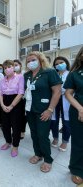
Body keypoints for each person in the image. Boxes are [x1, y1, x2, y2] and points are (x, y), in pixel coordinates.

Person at [24, 51, 62, 173]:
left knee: (42, 135)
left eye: (33, 60)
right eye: (28, 61)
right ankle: (38, 154)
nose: (31, 63)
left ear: (40, 60)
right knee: (34, 134)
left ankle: (48, 159)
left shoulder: (49, 72)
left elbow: (57, 91)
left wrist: (50, 109)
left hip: (44, 110)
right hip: (30, 110)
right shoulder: (27, 75)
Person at [64, 47, 83, 185]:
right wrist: (80, 109)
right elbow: (68, 93)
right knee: (79, 142)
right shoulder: (74, 74)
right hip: (78, 110)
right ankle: (77, 169)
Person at [0, 60, 24, 157]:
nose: (7, 69)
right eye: (5, 68)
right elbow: (0, 93)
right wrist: (2, 105)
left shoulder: (20, 77)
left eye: (9, 66)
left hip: (16, 103)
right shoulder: (2, 80)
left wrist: (11, 106)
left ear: (13, 67)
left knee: (16, 126)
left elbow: (21, 93)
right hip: (4, 102)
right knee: (5, 125)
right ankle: (8, 142)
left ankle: (15, 146)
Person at [50, 56, 71, 151]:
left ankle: (65, 141)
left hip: (67, 99)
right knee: (53, 120)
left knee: (66, 121)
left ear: (66, 63)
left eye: (61, 62)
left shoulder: (71, 74)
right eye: (56, 64)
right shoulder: (54, 74)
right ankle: (55, 138)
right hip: (55, 98)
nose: (59, 65)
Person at [14, 59, 27, 139]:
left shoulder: (25, 74)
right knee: (15, 116)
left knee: (23, 116)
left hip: (23, 98)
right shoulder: (12, 75)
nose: (15, 67)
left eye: (16, 65)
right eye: (13, 65)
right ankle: (16, 130)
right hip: (14, 98)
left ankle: (22, 131)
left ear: (20, 65)